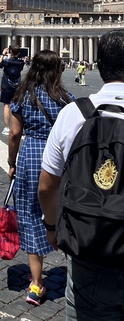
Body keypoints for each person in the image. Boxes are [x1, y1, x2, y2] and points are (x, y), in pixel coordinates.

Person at [39, 30, 124, 320]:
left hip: (89, 246)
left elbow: (47, 187)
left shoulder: (75, 113)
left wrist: (52, 227)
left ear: (98, 65)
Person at [7, 50, 75, 306]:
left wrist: (11, 162)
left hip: (32, 155)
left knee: (31, 214)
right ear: (58, 70)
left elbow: (14, 134)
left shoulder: (23, 95)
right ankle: (76, 277)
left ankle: (36, 285)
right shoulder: (67, 99)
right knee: (67, 214)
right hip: (61, 159)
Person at [0, 45, 24, 135]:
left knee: (7, 106)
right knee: (17, 107)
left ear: (10, 52)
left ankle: (7, 128)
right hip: (17, 87)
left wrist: (3, 54)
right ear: (19, 53)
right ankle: (17, 127)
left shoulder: (6, 61)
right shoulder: (21, 63)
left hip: (6, 86)